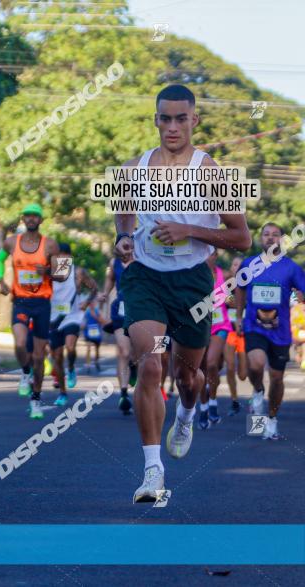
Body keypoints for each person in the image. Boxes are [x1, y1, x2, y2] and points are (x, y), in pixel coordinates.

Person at [114, 85, 251, 503]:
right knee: (151, 365)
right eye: (164, 118)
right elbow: (123, 214)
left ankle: (187, 414)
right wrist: (122, 239)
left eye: (180, 118)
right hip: (145, 279)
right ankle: (152, 470)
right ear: (154, 119)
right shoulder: (133, 169)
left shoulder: (210, 173)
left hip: (192, 282)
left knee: (188, 377)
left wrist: (188, 229)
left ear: (194, 120)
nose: (171, 126)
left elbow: (242, 238)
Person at [235, 223, 305, 440]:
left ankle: (272, 420)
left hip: (280, 330)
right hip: (254, 325)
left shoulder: (291, 268)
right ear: (260, 239)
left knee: (277, 378)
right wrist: (239, 316)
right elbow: (239, 288)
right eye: (266, 234)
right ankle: (257, 391)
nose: (270, 238)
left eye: (275, 235)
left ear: (281, 240)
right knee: (255, 363)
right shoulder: (249, 264)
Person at [0, 204, 62, 419]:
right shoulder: (11, 242)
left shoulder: (50, 245)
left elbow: (63, 273)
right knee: (20, 343)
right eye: (28, 216)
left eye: (36, 216)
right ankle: (25, 373)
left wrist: (49, 271)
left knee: (38, 355)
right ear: (23, 219)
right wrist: (1, 280)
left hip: (42, 302)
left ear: (41, 220)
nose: (31, 219)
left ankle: (36, 400)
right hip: (21, 301)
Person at [48, 243, 98, 406]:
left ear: (70, 258)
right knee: (56, 357)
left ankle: (71, 368)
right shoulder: (49, 273)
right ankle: (62, 393)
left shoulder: (78, 273)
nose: (61, 260)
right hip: (53, 319)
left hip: (73, 317)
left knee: (70, 347)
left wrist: (87, 302)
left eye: (64, 256)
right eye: (57, 256)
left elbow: (94, 288)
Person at [98, 250, 137, 414]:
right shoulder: (114, 263)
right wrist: (105, 294)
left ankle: (134, 368)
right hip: (120, 309)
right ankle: (123, 394)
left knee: (137, 355)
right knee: (123, 351)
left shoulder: (142, 259)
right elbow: (110, 280)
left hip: (140, 309)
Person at [197, 251, 232, 430]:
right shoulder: (193, 275)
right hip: (201, 326)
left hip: (220, 326)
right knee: (201, 369)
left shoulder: (224, 275)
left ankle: (213, 401)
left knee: (211, 364)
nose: (206, 258)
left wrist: (229, 298)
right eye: (204, 254)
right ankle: (203, 407)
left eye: (210, 254)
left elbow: (233, 299)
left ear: (215, 256)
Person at [223, 256, 248, 415]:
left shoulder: (248, 284)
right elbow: (225, 301)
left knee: (243, 375)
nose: (236, 267)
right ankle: (234, 400)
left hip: (245, 334)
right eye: (234, 264)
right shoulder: (225, 285)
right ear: (231, 268)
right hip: (229, 332)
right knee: (230, 367)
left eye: (240, 265)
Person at [82, 300, 105, 372]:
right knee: (88, 348)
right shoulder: (86, 312)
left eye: (93, 303)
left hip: (96, 333)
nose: (92, 304)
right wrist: (83, 325)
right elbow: (83, 321)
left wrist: (95, 316)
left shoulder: (98, 311)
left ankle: (96, 362)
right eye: (90, 303)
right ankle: (88, 364)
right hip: (88, 332)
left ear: (95, 303)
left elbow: (102, 321)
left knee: (97, 349)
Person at [290, 290, 305, 369]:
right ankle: (301, 356)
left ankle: (302, 358)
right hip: (297, 332)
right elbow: (292, 322)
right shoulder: (295, 308)